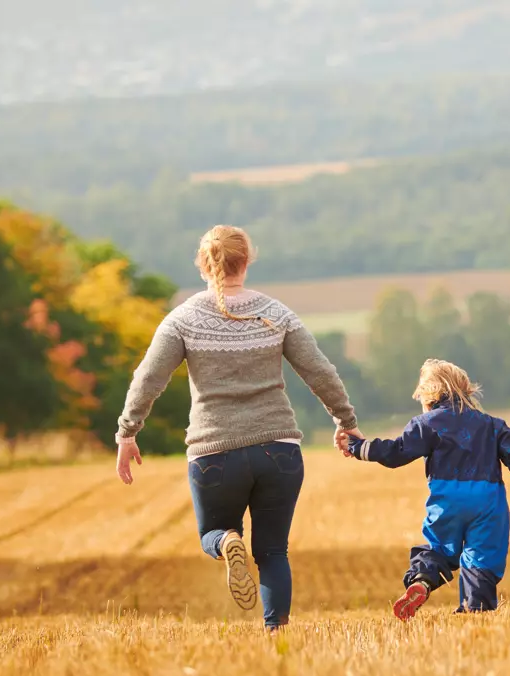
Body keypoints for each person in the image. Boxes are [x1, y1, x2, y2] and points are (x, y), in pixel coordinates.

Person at [114, 225, 362, 631]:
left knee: (213, 531)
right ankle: (276, 632)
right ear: (247, 260)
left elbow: (148, 379)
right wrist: (345, 422)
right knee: (272, 553)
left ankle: (227, 541)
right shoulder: (276, 313)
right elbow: (319, 371)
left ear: (203, 264)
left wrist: (128, 432)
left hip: (215, 452)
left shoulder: (183, 319)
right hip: (279, 450)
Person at [337, 359, 510, 620]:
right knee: (483, 554)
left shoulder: (426, 424)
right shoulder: (493, 425)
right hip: (488, 500)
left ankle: (422, 581)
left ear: (428, 394)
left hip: (447, 499)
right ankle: (475, 608)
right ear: (466, 389)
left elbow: (396, 453)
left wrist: (358, 447)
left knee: (439, 549)